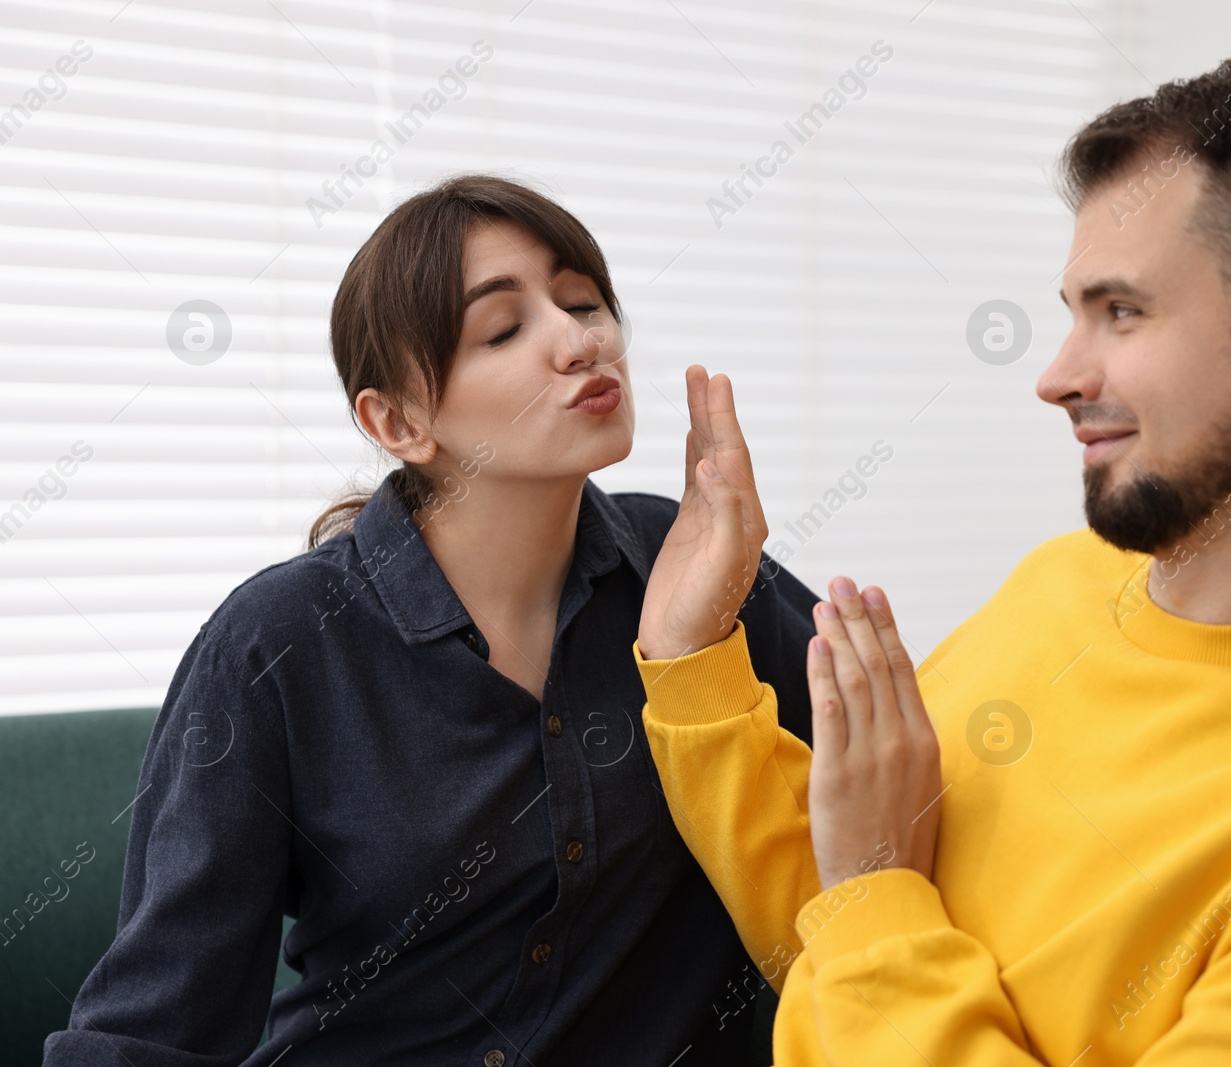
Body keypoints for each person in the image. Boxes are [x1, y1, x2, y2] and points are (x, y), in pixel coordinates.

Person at [632, 50, 1231, 1064]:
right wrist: (691, 659)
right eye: (1073, 312)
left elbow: (871, 914)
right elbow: (838, 936)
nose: (1057, 376)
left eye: (1122, 311)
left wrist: (877, 886)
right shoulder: (1056, 587)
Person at [43, 175, 818, 1065]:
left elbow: (897, 813)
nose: (580, 341)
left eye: (583, 301)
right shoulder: (275, 645)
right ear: (399, 419)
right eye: (505, 329)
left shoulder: (697, 568)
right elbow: (152, 1028)